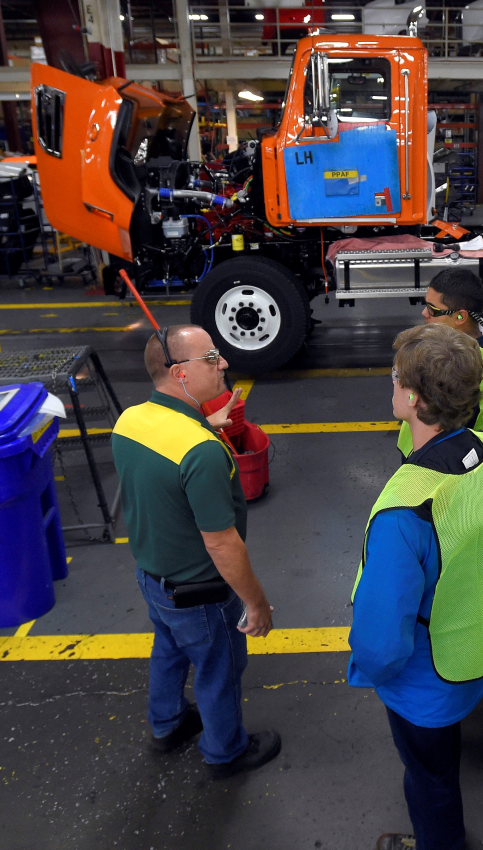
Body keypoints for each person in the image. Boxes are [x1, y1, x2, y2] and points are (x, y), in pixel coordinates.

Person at [350, 324, 483, 850]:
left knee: (430, 780)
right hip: (480, 653)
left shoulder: (403, 507)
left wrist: (372, 670)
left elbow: (383, 644)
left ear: (411, 397)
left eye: (394, 379)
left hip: (421, 686)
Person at [111, 325, 281, 778]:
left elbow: (168, 449)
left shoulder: (130, 421)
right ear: (180, 373)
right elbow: (221, 542)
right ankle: (225, 752)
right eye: (211, 357)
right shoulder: (201, 453)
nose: (223, 363)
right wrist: (256, 604)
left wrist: (208, 425)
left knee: (168, 652)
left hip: (154, 581)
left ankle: (166, 727)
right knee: (218, 669)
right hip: (201, 593)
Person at [397, 268, 483, 456]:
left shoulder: (454, 369)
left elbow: (441, 442)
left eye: (433, 310)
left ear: (460, 317)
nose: (424, 313)